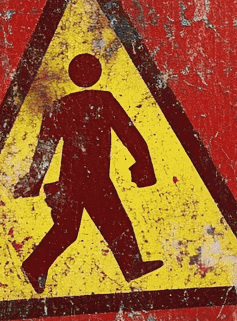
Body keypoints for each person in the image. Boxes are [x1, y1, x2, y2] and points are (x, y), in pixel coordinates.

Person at [14, 53, 164, 292]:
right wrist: (143, 164)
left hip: (77, 180)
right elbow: (130, 136)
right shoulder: (103, 101)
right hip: (91, 179)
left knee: (87, 228)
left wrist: (34, 180)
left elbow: (44, 150)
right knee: (95, 226)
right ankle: (34, 266)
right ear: (97, 73)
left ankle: (131, 267)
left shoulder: (61, 105)